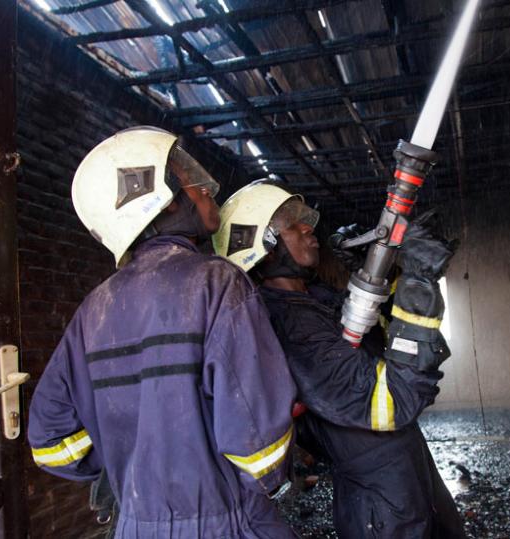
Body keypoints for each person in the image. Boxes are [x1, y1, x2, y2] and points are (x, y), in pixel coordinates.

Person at [27, 127, 298, 538]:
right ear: (162, 197)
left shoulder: (93, 309)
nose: (208, 189)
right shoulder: (216, 283)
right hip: (223, 522)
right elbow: (262, 456)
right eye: (191, 180)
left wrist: (132, 465)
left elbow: (50, 443)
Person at [213, 182, 465, 538]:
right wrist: (418, 281)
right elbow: (393, 399)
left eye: (304, 219)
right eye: (290, 223)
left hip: (406, 471)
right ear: (258, 247)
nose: (307, 229)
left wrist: (386, 277)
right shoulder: (287, 327)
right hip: (381, 502)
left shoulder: (315, 300)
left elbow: (382, 343)